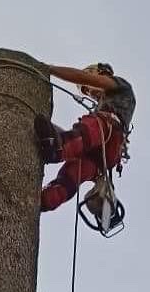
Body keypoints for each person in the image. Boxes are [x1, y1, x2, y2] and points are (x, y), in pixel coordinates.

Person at [35, 62, 136, 214]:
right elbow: (78, 141)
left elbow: (83, 77)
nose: (89, 92)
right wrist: (50, 129)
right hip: (102, 159)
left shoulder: (120, 86)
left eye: (87, 87)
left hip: (109, 133)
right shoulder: (103, 107)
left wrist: (48, 69)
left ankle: (58, 148)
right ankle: (47, 199)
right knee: (73, 172)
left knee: (90, 126)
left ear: (102, 73)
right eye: (85, 91)